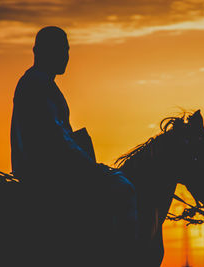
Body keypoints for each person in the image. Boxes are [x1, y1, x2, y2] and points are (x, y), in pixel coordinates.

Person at [10, 26, 138, 265]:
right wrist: (90, 166)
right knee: (122, 188)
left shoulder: (41, 83)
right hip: (48, 173)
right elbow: (55, 139)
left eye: (67, 50)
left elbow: (59, 136)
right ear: (40, 51)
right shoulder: (37, 84)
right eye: (61, 50)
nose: (66, 57)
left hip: (48, 168)